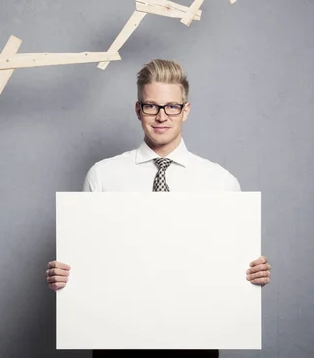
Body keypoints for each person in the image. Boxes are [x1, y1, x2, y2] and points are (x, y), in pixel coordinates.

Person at [45, 59, 271, 358]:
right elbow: (88, 257)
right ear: (138, 110)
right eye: (151, 106)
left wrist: (253, 273)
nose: (161, 116)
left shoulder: (220, 181)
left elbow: (232, 267)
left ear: (185, 110)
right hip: (118, 337)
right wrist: (65, 275)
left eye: (172, 107)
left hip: (195, 338)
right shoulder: (103, 175)